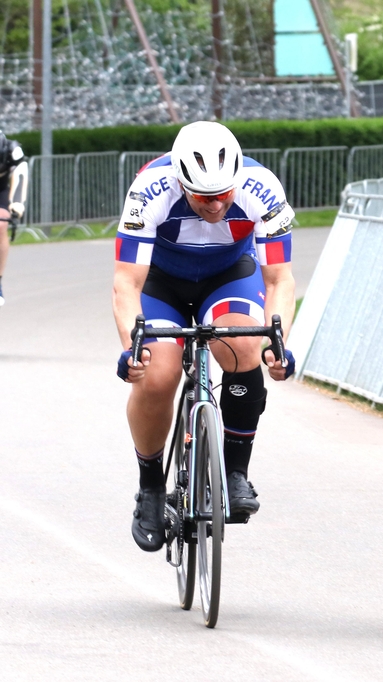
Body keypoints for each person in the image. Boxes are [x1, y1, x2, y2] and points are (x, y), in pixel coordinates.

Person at [112, 121, 296, 552]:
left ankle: (234, 471)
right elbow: (126, 284)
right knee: (156, 376)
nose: (215, 205)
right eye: (202, 196)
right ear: (179, 181)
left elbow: (280, 280)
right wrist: (131, 348)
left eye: (223, 194)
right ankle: (151, 486)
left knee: (244, 344)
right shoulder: (149, 190)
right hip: (162, 282)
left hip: (228, 277)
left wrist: (278, 342)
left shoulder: (262, 187)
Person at [0, 130, 29, 306]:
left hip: (0, 190)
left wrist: (17, 202)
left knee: (1, 223)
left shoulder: (13, 150)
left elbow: (20, 175)